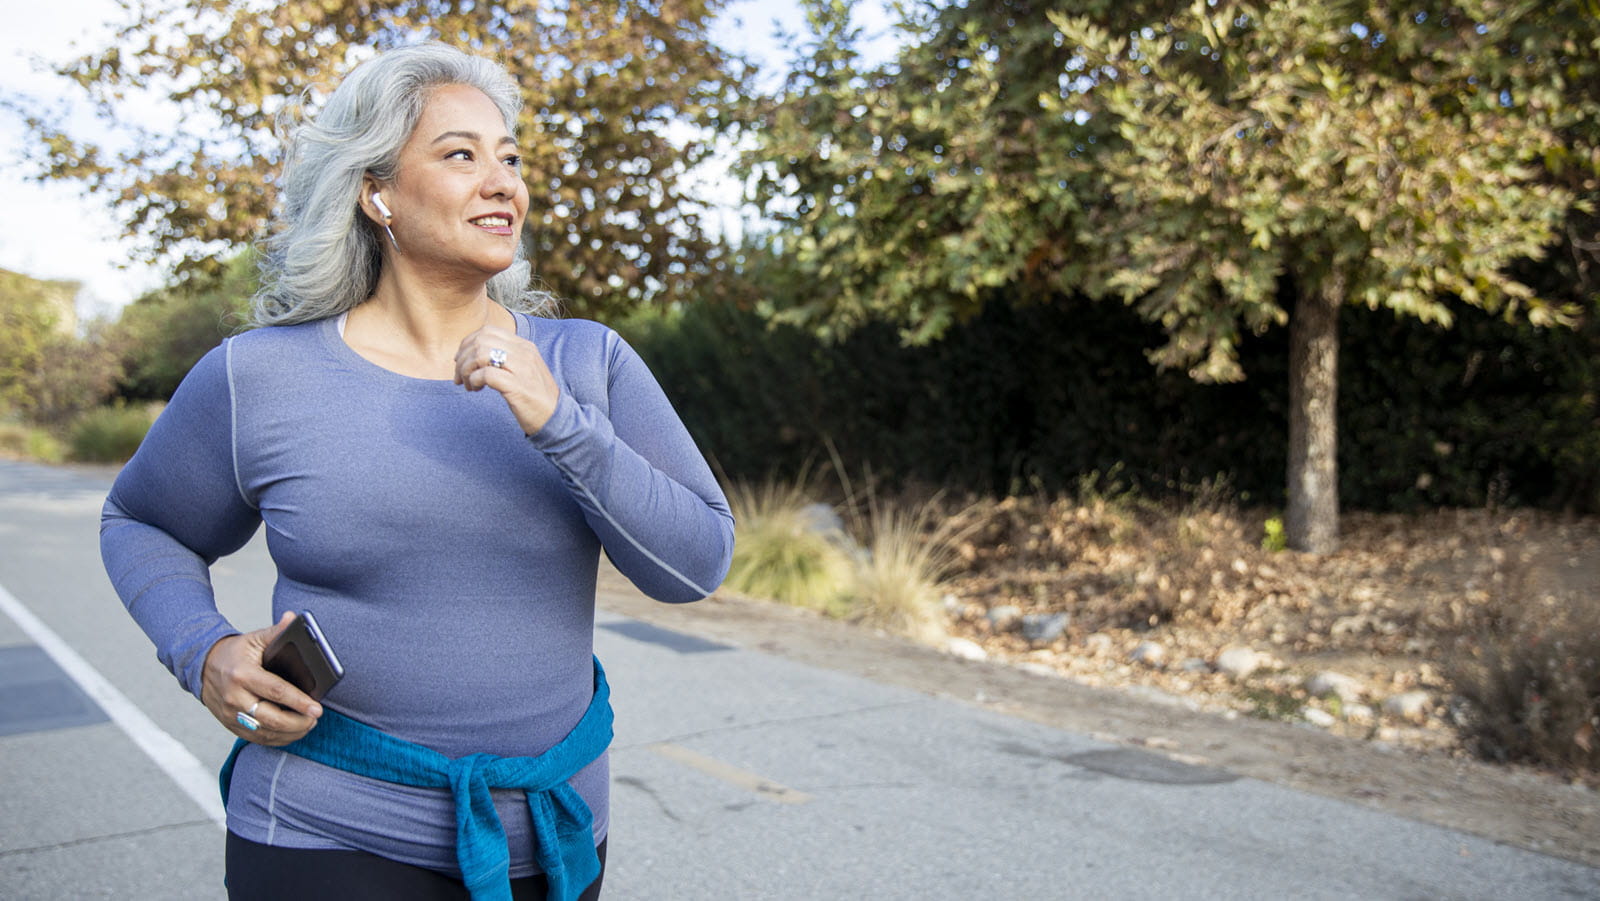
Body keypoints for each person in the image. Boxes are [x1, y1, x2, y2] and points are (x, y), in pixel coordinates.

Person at [99, 42, 734, 901]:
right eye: (461, 154)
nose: (503, 180)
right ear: (378, 193)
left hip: (557, 840)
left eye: (510, 158)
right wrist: (201, 647)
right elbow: (144, 522)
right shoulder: (260, 376)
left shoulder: (588, 363)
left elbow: (695, 566)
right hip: (327, 833)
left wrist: (561, 425)